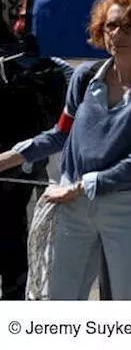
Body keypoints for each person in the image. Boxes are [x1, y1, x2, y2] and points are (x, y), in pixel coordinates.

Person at [0, 0, 131, 300]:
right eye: (111, 26)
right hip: (73, 206)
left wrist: (77, 186)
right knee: (60, 302)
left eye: (129, 27)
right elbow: (60, 134)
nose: (117, 34)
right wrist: (6, 159)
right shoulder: (85, 77)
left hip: (128, 206)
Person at [0, 25, 74, 299]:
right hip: (24, 163)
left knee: (11, 233)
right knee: (13, 232)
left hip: (18, 161)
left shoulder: (27, 62)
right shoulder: (36, 60)